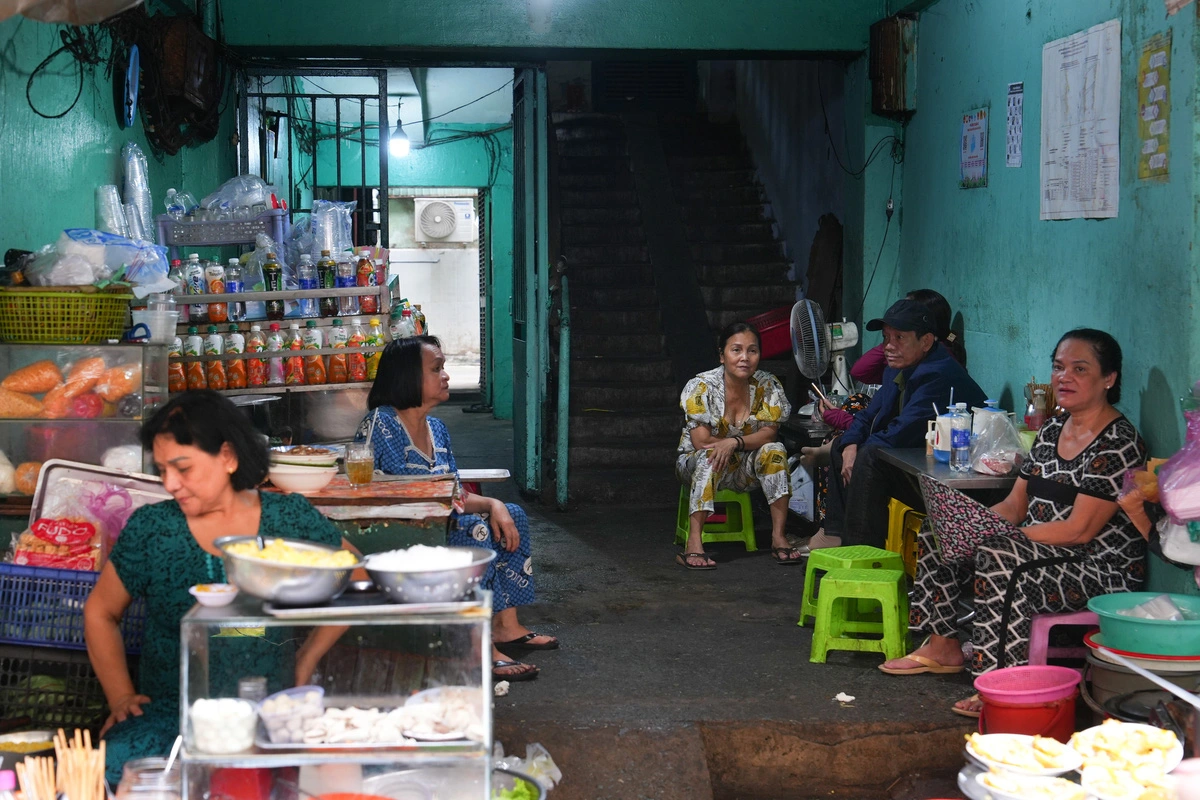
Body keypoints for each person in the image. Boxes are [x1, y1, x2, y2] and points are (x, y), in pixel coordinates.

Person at [84, 391, 354, 783]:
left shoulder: (288, 517)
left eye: (182, 468)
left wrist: (306, 659)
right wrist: (121, 696)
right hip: (172, 714)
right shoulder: (152, 528)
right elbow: (100, 612)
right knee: (116, 769)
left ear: (227, 456)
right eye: (162, 471)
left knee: (320, 775)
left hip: (269, 709)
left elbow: (355, 578)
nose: (170, 483)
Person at [879, 329, 1148, 717]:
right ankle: (942, 645)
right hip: (1038, 549)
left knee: (999, 556)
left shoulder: (1118, 442)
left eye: (1080, 368)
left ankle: (999, 678)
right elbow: (1015, 504)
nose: (1064, 377)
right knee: (940, 531)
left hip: (1095, 567)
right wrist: (974, 523)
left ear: (1109, 378)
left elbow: (1079, 530)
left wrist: (1002, 537)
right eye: (1058, 367)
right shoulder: (1052, 430)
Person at [356, 336, 556, 683]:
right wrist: (456, 509)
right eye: (436, 369)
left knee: (512, 515)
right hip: (398, 530)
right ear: (407, 377)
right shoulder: (382, 423)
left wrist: (494, 504)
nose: (445, 375)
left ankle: (505, 626)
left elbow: (454, 492)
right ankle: (477, 644)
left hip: (441, 521)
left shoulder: (437, 428)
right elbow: (389, 495)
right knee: (475, 531)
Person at [802, 298, 987, 554]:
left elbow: (899, 432)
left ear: (926, 341)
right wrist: (849, 444)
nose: (888, 346)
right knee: (845, 448)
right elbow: (868, 415)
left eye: (899, 338)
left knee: (869, 457)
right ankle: (836, 535)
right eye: (886, 337)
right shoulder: (897, 368)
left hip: (955, 480)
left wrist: (857, 449)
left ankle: (862, 556)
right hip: (918, 462)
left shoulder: (938, 375)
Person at [676, 322, 795, 568]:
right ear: (722, 355)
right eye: (736, 350)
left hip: (743, 466)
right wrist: (731, 445)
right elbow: (700, 441)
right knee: (710, 454)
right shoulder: (701, 386)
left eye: (752, 351)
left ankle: (778, 536)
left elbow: (769, 436)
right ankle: (694, 543)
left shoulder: (767, 385)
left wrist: (734, 442)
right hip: (697, 463)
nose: (745, 358)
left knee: (775, 452)